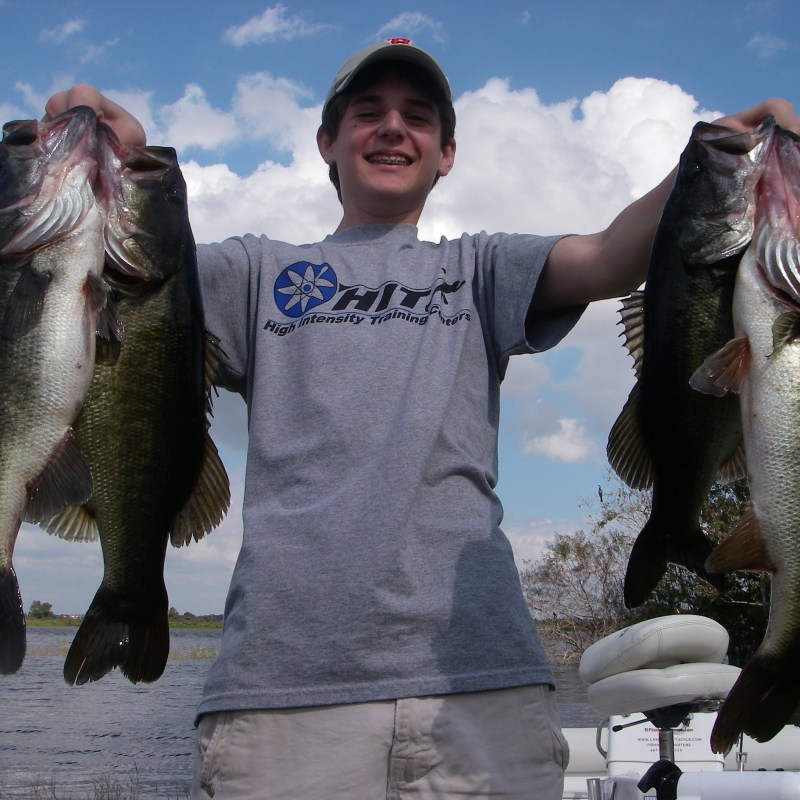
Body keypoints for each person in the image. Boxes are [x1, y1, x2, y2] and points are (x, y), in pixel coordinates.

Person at [46, 39, 800, 800]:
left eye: (417, 118)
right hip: (282, 690)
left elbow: (611, 256)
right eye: (367, 114)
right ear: (327, 144)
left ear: (445, 154)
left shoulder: (479, 268)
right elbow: (121, 285)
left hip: (480, 685)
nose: (392, 129)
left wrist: (718, 160)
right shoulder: (253, 272)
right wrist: (117, 164)